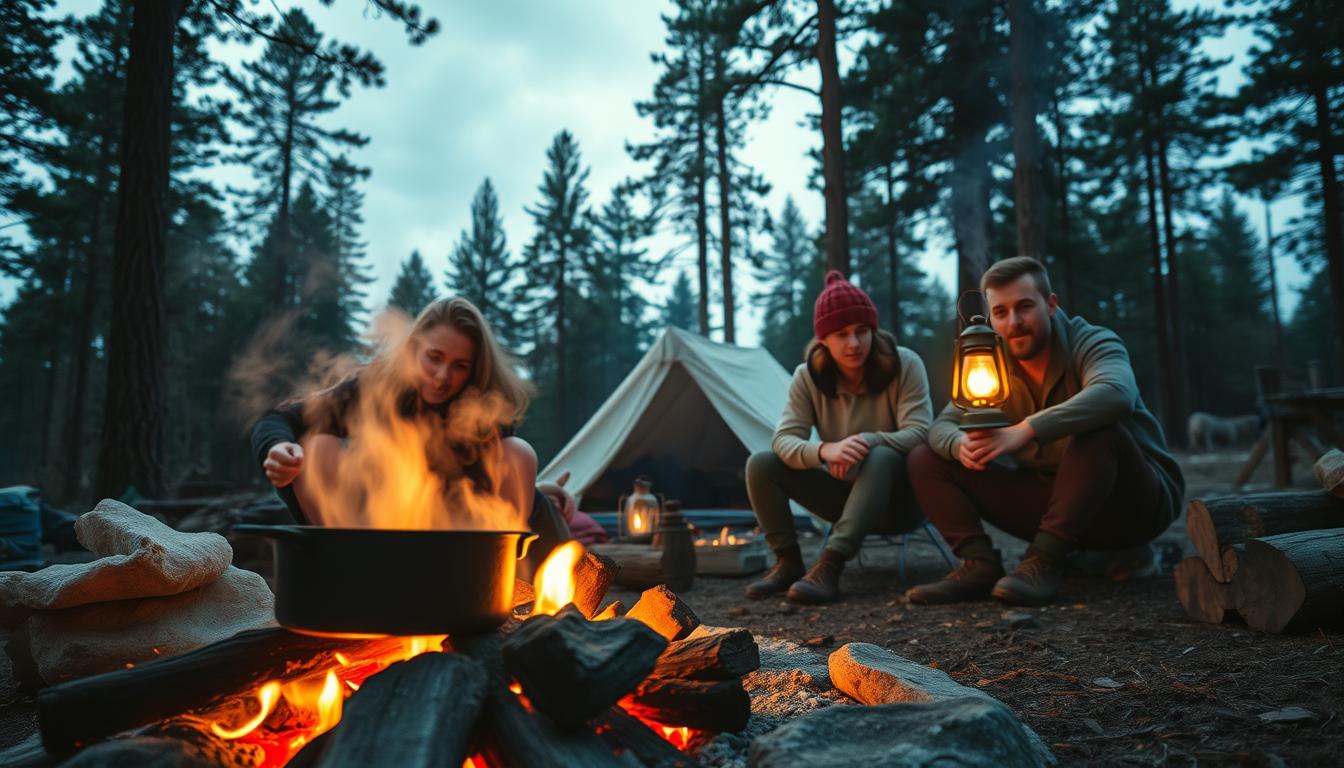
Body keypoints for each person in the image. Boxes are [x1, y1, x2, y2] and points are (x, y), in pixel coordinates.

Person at [906, 257, 1184, 606]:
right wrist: (959, 444)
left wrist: (1026, 430)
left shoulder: (1091, 341)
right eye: (1001, 312)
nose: (1014, 322)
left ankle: (1042, 562)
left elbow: (1117, 394)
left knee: (1099, 430)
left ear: (1051, 305)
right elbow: (941, 426)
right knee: (926, 457)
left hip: (1133, 502)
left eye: (1025, 307)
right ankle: (979, 565)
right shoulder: (991, 367)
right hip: (1054, 503)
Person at [250, 297, 569, 566]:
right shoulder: (377, 386)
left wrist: (537, 490)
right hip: (375, 536)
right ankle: (347, 574)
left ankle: (493, 586)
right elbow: (278, 418)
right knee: (317, 443)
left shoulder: (482, 406)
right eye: (434, 358)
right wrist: (277, 449)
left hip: (458, 550)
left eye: (460, 366)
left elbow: (495, 494)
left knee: (519, 453)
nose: (443, 377)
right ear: (414, 348)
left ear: (474, 370)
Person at [744, 271, 932, 604]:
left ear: (874, 330)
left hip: (902, 501)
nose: (854, 343)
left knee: (882, 455)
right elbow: (784, 440)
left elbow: (921, 432)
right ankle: (788, 562)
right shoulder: (808, 376)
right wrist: (826, 450)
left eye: (862, 331)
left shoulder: (904, 364)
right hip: (845, 499)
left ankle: (830, 564)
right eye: (841, 334)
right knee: (761, 464)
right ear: (823, 340)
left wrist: (867, 441)